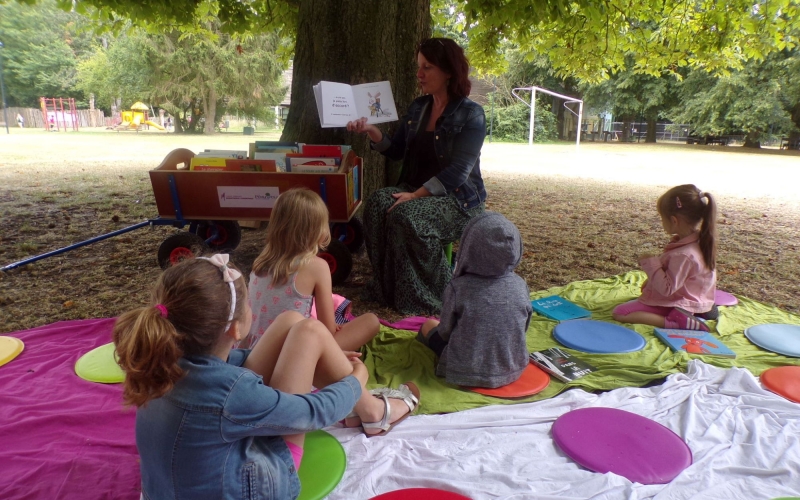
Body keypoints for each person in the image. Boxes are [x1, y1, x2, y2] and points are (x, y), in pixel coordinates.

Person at [113, 255, 420, 499]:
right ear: (235, 329)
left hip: (165, 491)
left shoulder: (163, 358)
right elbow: (311, 413)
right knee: (310, 331)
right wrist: (356, 378)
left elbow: (238, 360)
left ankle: (370, 411)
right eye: (247, 303)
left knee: (292, 321)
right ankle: (375, 412)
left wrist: (310, 361)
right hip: (250, 490)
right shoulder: (232, 392)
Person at [347, 37, 487, 315]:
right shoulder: (418, 107)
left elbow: (459, 173)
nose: (419, 74)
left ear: (449, 71)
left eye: (428, 67)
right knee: (376, 204)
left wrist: (414, 195)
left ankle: (432, 298)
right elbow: (397, 150)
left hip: (458, 201)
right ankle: (389, 289)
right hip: (414, 191)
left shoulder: (472, 115)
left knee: (407, 215)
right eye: (419, 67)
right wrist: (372, 132)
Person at [247, 188, 380, 352]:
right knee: (371, 321)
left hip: (255, 353)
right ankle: (329, 362)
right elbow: (328, 330)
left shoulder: (259, 264)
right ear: (318, 230)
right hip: (293, 356)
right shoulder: (317, 266)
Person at [415, 212, 532, 388]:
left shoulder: (458, 288)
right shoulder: (520, 285)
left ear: (469, 247)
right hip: (512, 367)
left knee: (428, 325)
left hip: (464, 370)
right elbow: (524, 327)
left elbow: (445, 331)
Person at [612, 184, 718, 331]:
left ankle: (675, 322)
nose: (662, 222)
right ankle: (699, 309)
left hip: (678, 301)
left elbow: (667, 289)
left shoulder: (684, 254)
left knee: (620, 312)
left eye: (662, 218)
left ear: (674, 221)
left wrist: (651, 263)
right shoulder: (699, 241)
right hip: (694, 296)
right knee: (640, 297)